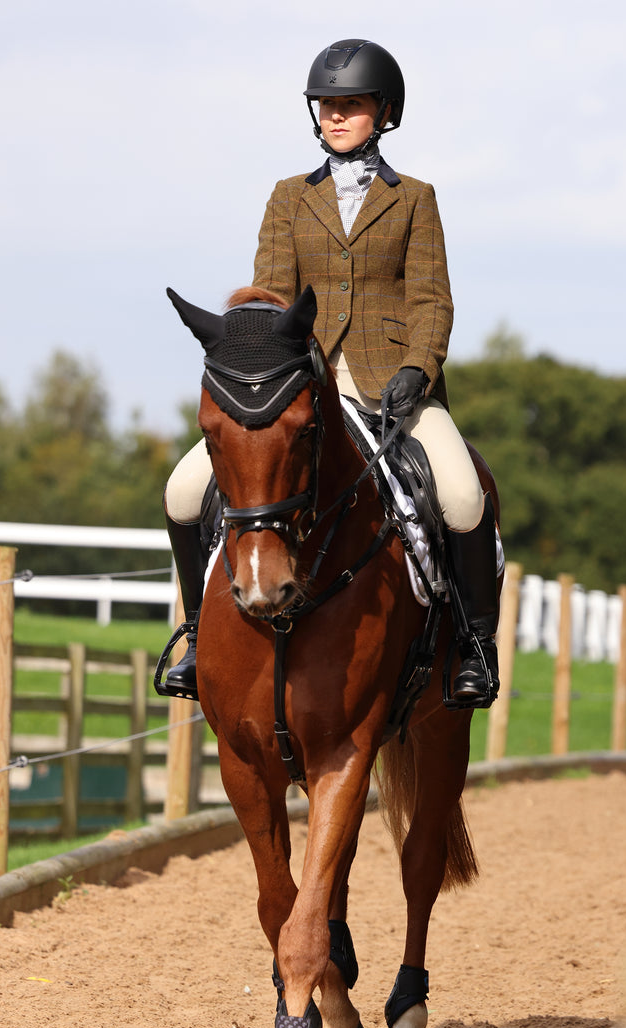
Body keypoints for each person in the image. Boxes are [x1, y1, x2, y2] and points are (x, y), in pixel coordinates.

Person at [162, 38, 499, 708]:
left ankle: (472, 646)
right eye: (327, 106)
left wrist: (417, 369)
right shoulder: (289, 198)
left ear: (385, 112)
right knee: (181, 491)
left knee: (462, 498)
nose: (336, 117)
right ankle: (198, 636)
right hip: (299, 388)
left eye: (351, 105)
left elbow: (433, 300)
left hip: (391, 386)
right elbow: (266, 299)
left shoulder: (415, 200)